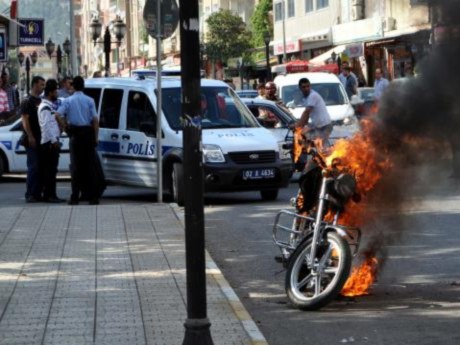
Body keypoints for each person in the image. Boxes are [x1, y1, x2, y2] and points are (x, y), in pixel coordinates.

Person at [56, 76, 100, 205]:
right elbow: (95, 121)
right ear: (83, 86)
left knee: (76, 167)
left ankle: (75, 196)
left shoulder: (68, 101)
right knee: (90, 166)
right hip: (87, 134)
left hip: (75, 134)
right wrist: (96, 137)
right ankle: (93, 197)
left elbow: (57, 115)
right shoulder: (90, 100)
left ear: (73, 86)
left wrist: (65, 128)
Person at [20, 76, 46, 203]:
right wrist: (30, 136)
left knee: (40, 167)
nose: (43, 87)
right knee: (33, 166)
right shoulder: (27, 101)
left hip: (41, 139)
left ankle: (37, 193)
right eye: (41, 84)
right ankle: (30, 194)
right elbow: (24, 120)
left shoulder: (41, 100)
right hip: (32, 139)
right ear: (35, 84)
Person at [38, 79, 64, 203]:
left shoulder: (49, 106)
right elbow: (46, 127)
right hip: (49, 144)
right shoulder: (45, 107)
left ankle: (50, 194)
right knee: (50, 171)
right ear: (51, 93)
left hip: (51, 142)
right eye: (56, 91)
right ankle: (49, 195)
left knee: (51, 171)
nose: (57, 94)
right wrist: (54, 141)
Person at [291, 78, 333, 148]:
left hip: (325, 126)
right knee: (305, 138)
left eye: (308, 86)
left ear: (310, 86)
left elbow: (306, 112)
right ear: (300, 88)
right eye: (304, 87)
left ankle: (327, 156)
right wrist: (303, 125)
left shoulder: (312, 96)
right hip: (317, 125)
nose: (306, 88)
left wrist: (298, 126)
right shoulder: (306, 98)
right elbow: (306, 115)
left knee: (321, 147)